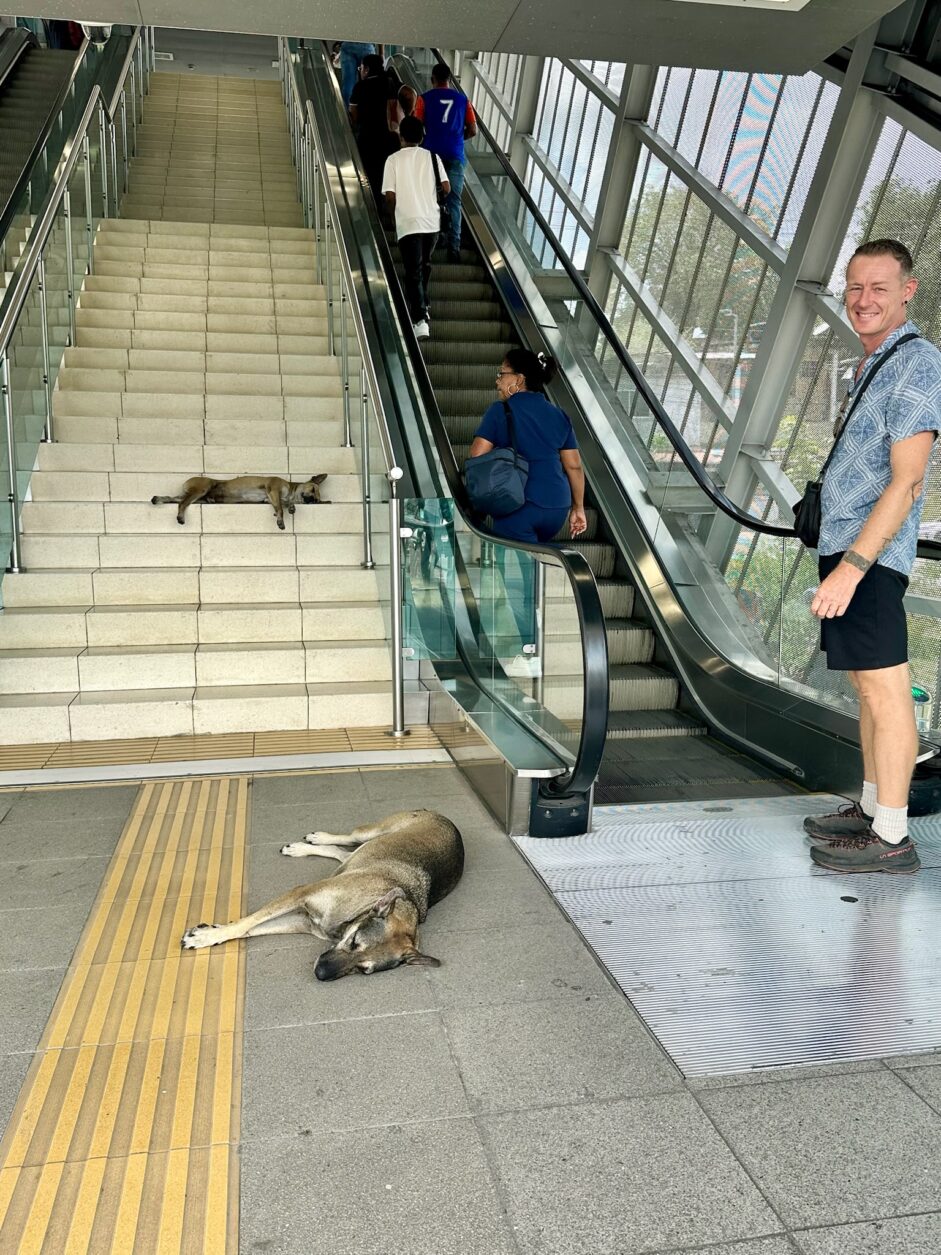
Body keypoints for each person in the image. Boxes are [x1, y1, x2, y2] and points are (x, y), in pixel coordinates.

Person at [804, 238, 941, 875]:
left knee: (886, 694)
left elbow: (907, 480)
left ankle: (892, 837)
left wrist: (852, 568)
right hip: (850, 552)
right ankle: (869, 809)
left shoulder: (916, 363)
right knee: (866, 688)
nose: (863, 301)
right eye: (855, 288)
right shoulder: (874, 364)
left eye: (879, 288)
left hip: (870, 559)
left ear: (908, 290)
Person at [468, 350, 586, 676]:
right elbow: (573, 465)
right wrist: (578, 509)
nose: (497, 379)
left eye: (502, 373)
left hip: (517, 504)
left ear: (518, 380)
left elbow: (478, 454)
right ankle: (534, 627)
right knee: (532, 569)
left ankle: (528, 651)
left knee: (515, 580)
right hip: (556, 506)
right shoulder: (558, 414)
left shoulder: (501, 410)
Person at [382, 115, 449, 340]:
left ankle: (420, 320)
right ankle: (424, 304)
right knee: (424, 265)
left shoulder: (392, 160)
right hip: (432, 222)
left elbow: (390, 196)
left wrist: (393, 217)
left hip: (408, 222)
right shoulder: (432, 157)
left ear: (401, 136)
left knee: (414, 271)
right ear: (422, 136)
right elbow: (446, 187)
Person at [414, 62, 477, 262]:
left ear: (433, 79)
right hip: (455, 155)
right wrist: (458, 138)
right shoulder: (463, 100)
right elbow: (473, 130)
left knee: (430, 198)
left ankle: (432, 239)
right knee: (454, 201)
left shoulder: (423, 99)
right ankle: (454, 247)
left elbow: (416, 127)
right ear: (450, 80)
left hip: (430, 155)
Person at [349, 54, 396, 204]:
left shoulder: (360, 87)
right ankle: (386, 208)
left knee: (368, 173)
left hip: (367, 138)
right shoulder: (389, 83)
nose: (360, 71)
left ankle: (372, 207)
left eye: (361, 68)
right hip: (387, 138)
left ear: (367, 69)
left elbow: (354, 115)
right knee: (385, 174)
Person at [339, 40, 377, 109]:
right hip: (367, 43)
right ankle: (369, 113)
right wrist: (381, 53)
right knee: (370, 84)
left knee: (348, 84)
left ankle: (349, 115)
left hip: (348, 43)